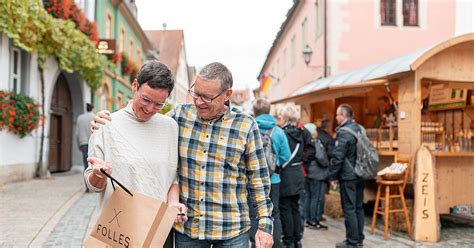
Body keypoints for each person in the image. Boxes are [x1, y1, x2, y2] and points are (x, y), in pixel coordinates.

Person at [92, 62, 274, 248]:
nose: (198, 101)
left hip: (231, 230)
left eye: (207, 97)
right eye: (196, 93)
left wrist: (265, 225)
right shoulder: (179, 116)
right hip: (188, 230)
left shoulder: (246, 126)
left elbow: (258, 180)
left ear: (227, 95)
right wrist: (108, 121)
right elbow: (145, 118)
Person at [85, 60, 187, 248]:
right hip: (118, 228)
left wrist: (174, 203)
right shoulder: (106, 125)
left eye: (159, 104)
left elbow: (173, 177)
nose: (149, 109)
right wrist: (98, 174)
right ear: (135, 86)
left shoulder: (170, 127)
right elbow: (93, 186)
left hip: (158, 227)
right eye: (146, 99)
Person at [249, 98, 292, 248]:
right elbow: (287, 157)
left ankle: (256, 244)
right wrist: (276, 164)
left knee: (255, 213)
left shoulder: (250, 128)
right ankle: (275, 244)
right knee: (274, 213)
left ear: (254, 112)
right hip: (273, 180)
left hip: (252, 180)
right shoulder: (279, 132)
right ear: (269, 111)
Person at [327, 104, 365, 248]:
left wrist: (332, 177)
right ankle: (359, 238)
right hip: (360, 174)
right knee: (358, 207)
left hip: (348, 176)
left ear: (343, 115)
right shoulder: (360, 128)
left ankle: (352, 242)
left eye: (337, 115)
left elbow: (338, 158)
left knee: (349, 209)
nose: (336, 118)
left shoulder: (344, 132)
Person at [279, 105, 315, 248]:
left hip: (285, 172)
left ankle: (288, 240)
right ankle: (297, 238)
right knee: (295, 206)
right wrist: (302, 161)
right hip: (299, 172)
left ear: (285, 117)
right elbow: (312, 149)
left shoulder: (282, 133)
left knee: (285, 207)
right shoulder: (304, 132)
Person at [302, 123, 329, 231]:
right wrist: (327, 164)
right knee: (316, 198)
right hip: (318, 173)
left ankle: (308, 220)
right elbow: (321, 157)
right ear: (313, 133)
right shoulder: (316, 142)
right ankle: (314, 221)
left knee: (308, 197)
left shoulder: (305, 143)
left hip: (309, 173)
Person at [76, 103, 95, 171]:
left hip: (83, 141)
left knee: (85, 158)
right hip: (93, 141)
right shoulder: (95, 117)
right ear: (93, 109)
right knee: (93, 158)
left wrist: (78, 144)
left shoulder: (80, 118)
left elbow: (77, 133)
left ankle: (86, 172)